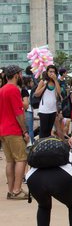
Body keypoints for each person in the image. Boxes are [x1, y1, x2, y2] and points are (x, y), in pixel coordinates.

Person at [26, 147, 72, 226]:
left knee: (44, 206)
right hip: (61, 178)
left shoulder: (38, 154)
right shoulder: (69, 154)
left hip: (34, 179)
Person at [0, 65, 30, 199]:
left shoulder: (2, 90)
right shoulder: (13, 90)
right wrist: (24, 130)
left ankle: (11, 190)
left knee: (10, 161)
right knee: (21, 159)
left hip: (3, 129)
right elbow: (19, 113)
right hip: (13, 129)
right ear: (17, 75)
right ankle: (17, 190)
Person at [33, 65, 63, 138]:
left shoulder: (56, 82)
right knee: (44, 130)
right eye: (50, 71)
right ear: (47, 72)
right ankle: (41, 145)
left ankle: (47, 146)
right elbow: (36, 94)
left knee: (49, 130)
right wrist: (45, 86)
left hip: (53, 109)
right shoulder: (43, 82)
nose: (52, 73)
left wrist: (55, 80)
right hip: (44, 110)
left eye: (53, 72)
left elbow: (59, 93)